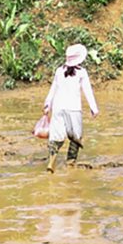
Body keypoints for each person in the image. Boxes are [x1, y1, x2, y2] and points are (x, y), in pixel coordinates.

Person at [42, 43, 97, 172]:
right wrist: (94, 108)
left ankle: (51, 162)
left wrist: (47, 104)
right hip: (73, 109)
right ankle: (70, 163)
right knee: (75, 137)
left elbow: (52, 90)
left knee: (56, 137)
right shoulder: (81, 72)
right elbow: (87, 91)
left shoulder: (59, 71)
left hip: (58, 108)